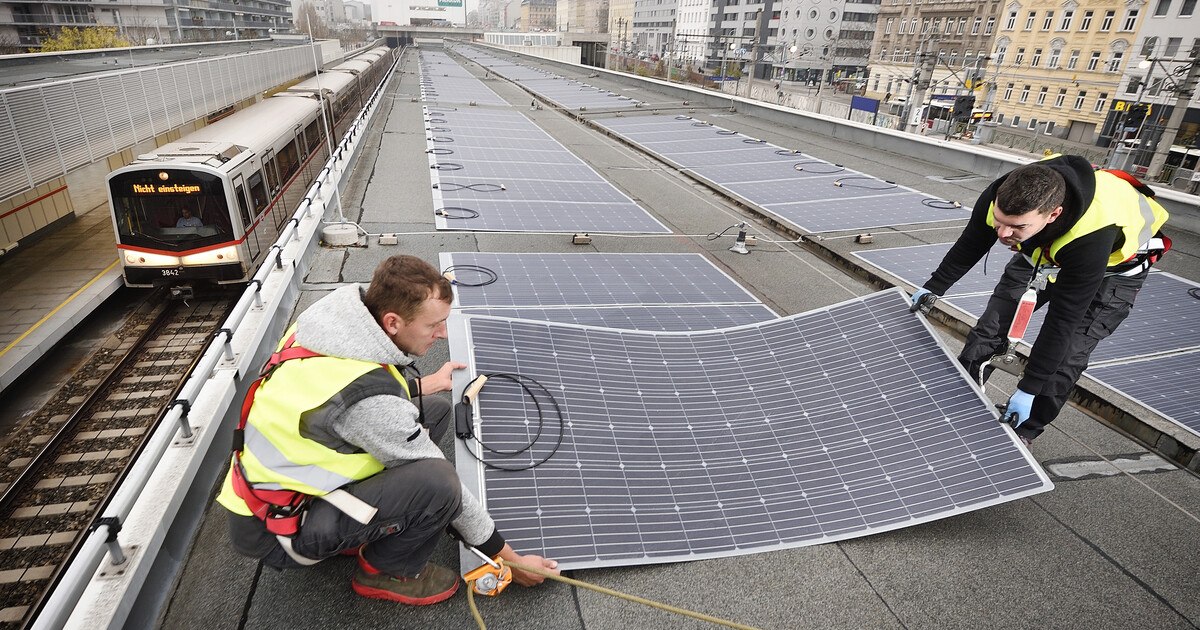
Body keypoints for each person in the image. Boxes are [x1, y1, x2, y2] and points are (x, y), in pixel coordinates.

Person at [216, 255, 559, 604]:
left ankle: (366, 525)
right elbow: (366, 407)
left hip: (278, 492)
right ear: (393, 322)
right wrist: (510, 560)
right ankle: (386, 571)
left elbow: (336, 403)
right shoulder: (370, 404)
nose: (441, 335)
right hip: (280, 528)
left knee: (435, 412)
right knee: (439, 484)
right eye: (433, 326)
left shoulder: (333, 324)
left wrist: (423, 385)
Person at [909, 155, 1169, 443]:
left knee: (1066, 358)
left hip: (1111, 272)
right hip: (1045, 252)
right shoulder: (1004, 195)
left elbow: (1062, 321)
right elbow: (972, 243)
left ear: (1053, 214)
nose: (1004, 234)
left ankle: (1025, 429)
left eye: (1016, 227)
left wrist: (1029, 388)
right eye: (1000, 223)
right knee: (991, 328)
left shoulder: (1091, 235)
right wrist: (933, 287)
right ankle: (958, 402)